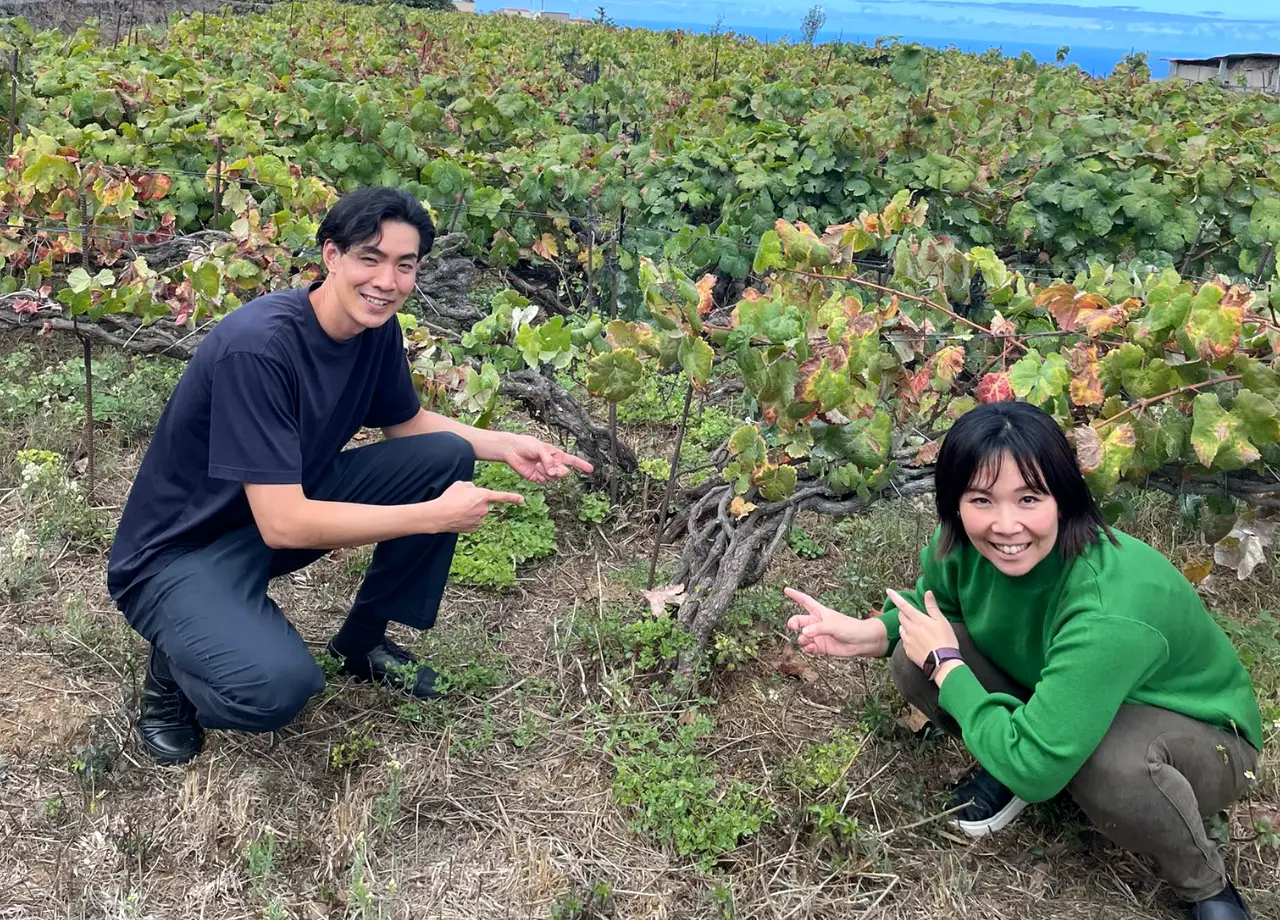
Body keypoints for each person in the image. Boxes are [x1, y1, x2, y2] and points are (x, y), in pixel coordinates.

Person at [106, 186, 592, 767]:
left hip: (270, 516)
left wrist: (505, 444)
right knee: (278, 688)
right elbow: (285, 523)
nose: (387, 281)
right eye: (371, 257)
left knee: (443, 457)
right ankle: (171, 680)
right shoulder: (259, 349)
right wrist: (432, 517)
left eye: (404, 265)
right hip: (179, 552)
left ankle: (361, 642)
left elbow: (407, 423)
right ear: (331, 256)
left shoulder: (375, 329)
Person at [783, 400, 1265, 920]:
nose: (1005, 525)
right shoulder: (962, 544)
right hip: (1066, 687)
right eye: (982, 499)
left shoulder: (1110, 606)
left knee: (1112, 766)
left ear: (1064, 497)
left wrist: (950, 667)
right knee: (908, 659)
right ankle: (1008, 753)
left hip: (1202, 734)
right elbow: (935, 607)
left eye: (1029, 498)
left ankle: (1206, 886)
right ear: (954, 502)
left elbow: (1034, 765)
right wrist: (868, 632)